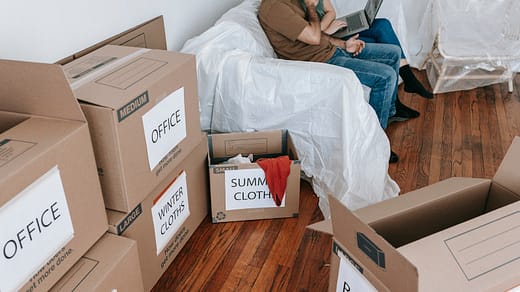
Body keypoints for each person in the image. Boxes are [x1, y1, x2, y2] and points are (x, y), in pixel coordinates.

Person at [258, 0, 417, 163]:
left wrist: (343, 44)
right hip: (319, 61)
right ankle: (375, 142)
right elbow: (313, 36)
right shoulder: (274, 8)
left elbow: (319, 35)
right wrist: (311, 6)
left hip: (330, 50)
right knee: (385, 76)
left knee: (393, 53)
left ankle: (390, 112)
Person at [314, 0, 433, 99]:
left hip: (329, 31)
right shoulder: (296, 6)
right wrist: (324, 31)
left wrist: (326, 27)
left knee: (383, 25)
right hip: (323, 38)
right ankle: (398, 99)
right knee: (376, 43)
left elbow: (331, 12)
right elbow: (309, 35)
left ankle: (408, 78)